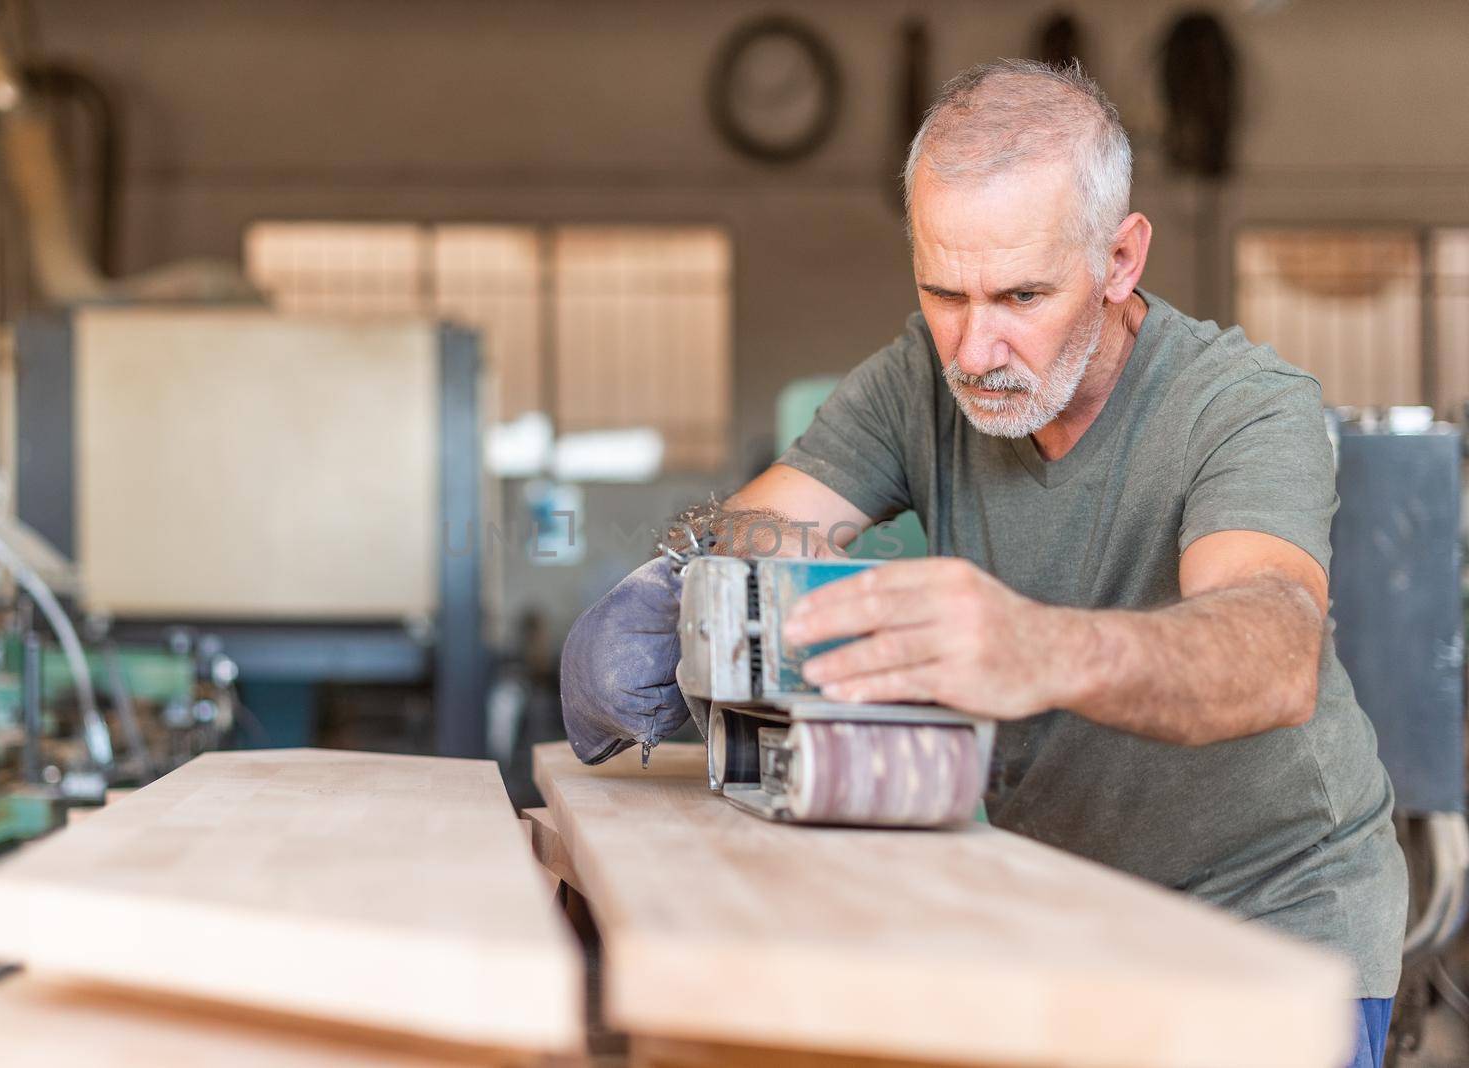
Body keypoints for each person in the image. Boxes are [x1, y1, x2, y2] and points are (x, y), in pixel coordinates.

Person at [559, 59, 1404, 1068]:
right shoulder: (919, 375)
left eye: (1021, 295)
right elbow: (775, 526)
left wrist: (1036, 649)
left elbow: (1271, 653)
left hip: (1269, 917)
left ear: (1120, 258)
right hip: (1058, 900)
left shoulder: (1242, 406)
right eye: (942, 292)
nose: (974, 347)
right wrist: (685, 587)